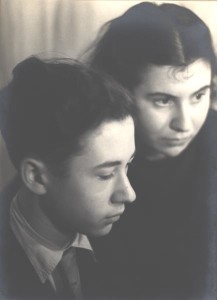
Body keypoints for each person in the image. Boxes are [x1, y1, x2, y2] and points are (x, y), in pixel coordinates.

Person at [83, 2, 217, 300]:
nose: (185, 123)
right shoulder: (81, 155)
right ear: (121, 91)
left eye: (199, 95)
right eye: (162, 100)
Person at [0, 56, 136, 300]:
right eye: (105, 175)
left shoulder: (133, 236)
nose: (129, 194)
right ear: (37, 177)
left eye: (129, 165)